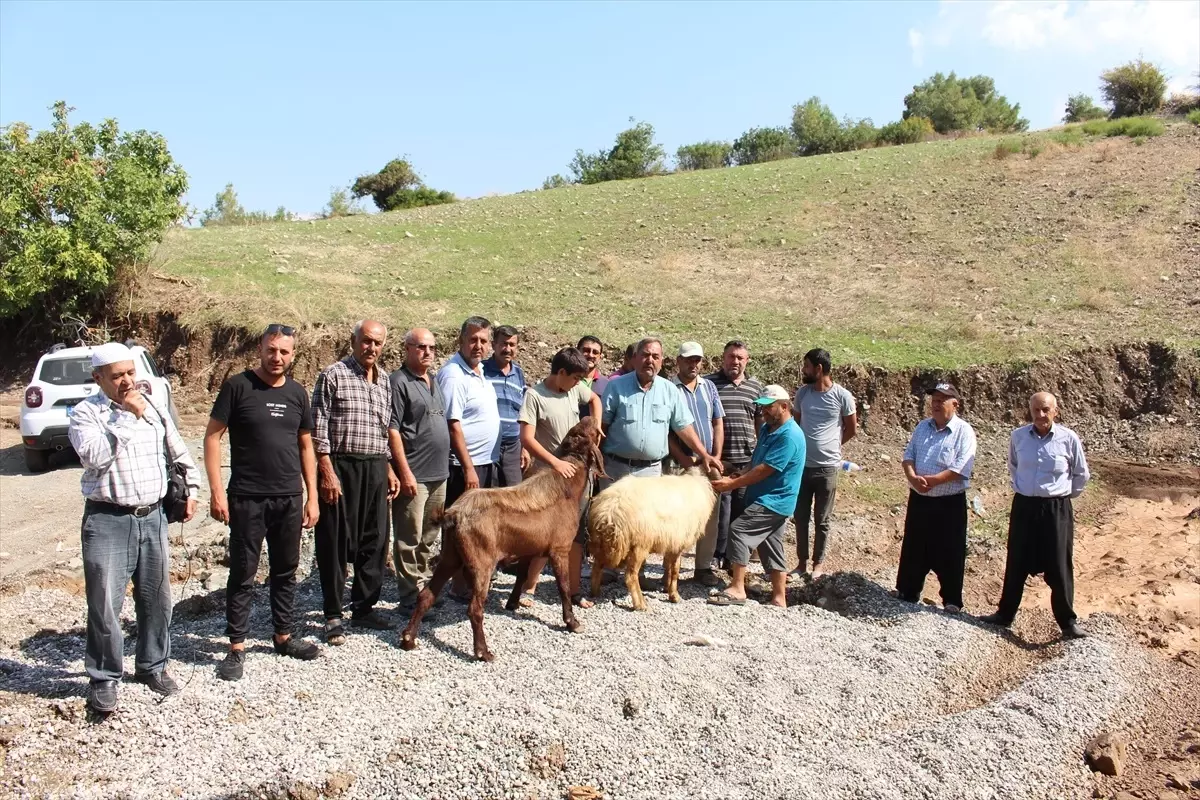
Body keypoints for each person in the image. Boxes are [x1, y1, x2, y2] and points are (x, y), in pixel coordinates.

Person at [68, 342, 200, 713]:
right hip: (107, 519)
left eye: (130, 373)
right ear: (98, 379)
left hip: (153, 516)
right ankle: (105, 677)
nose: (127, 381)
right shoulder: (85, 414)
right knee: (105, 604)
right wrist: (128, 415)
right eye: (117, 376)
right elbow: (94, 457)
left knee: (156, 598)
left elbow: (177, 448)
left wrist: (191, 488)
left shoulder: (152, 404)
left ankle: (152, 666)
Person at [205, 325, 321, 681]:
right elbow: (212, 438)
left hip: (288, 497)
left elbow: (306, 446)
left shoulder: (298, 393)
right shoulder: (237, 387)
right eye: (272, 350)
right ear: (260, 348)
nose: (277, 358)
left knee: (285, 571)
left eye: (285, 352)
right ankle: (236, 647)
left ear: (293, 354)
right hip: (246, 498)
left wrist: (312, 496)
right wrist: (215, 492)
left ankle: (283, 636)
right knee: (242, 573)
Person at [312, 320, 401, 645]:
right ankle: (333, 614)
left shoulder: (385, 381)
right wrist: (326, 469)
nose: (371, 348)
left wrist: (389, 467)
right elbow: (318, 425)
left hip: (376, 466)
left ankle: (364, 607)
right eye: (366, 341)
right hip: (341, 465)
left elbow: (385, 429)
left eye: (377, 343)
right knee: (335, 540)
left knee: (375, 539)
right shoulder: (333, 375)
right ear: (354, 341)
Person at [980, 392, 1090, 639]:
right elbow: (1014, 465)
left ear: (1055, 411)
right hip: (1024, 507)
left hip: (1056, 509)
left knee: (1060, 564)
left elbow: (1081, 474)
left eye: (1045, 410)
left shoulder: (1068, 438)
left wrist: (1061, 496)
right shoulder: (1018, 437)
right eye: (1036, 410)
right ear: (1029, 411)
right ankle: (1005, 615)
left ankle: (1067, 622)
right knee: (1016, 560)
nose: (1040, 415)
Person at [517, 346, 603, 607]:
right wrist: (554, 463)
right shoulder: (535, 395)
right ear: (561, 372)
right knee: (542, 535)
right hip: (546, 477)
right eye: (575, 378)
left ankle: (573, 591)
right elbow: (527, 437)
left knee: (575, 534)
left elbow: (594, 400)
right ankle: (528, 588)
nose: (579, 384)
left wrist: (596, 426)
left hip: (576, 478)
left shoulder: (575, 388)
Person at [708, 385, 806, 609]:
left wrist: (732, 484)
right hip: (765, 497)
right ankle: (779, 597)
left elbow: (765, 469)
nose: (763, 412)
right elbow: (757, 459)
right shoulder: (767, 429)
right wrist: (739, 473)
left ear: (784, 406)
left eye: (768, 407)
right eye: (761, 407)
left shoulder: (789, 436)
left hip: (774, 500)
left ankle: (737, 588)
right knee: (770, 544)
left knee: (739, 530)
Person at [894, 381, 977, 614]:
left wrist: (933, 481)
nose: (936, 404)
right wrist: (912, 477)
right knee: (914, 545)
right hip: (920, 499)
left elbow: (962, 467)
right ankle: (907, 591)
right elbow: (908, 455)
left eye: (942, 400)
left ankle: (952, 600)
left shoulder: (964, 432)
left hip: (948, 502)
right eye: (934, 400)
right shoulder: (922, 427)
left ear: (955, 404)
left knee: (950, 549)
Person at [599, 337, 721, 487]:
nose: (650, 360)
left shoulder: (669, 390)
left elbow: (683, 427)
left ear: (661, 361)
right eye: (645, 355)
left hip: (651, 473)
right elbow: (602, 426)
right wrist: (596, 459)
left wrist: (704, 455)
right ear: (635, 358)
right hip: (616, 469)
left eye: (655, 357)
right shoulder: (616, 386)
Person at [386, 328, 451, 612]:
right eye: (421, 347)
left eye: (432, 348)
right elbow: (393, 429)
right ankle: (409, 595)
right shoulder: (399, 382)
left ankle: (424, 587)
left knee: (430, 534)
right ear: (407, 348)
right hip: (415, 472)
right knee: (408, 536)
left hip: (440, 474)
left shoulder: (433, 381)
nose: (427, 352)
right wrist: (404, 472)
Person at [791, 348, 857, 580]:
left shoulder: (842, 396)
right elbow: (795, 427)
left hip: (828, 468)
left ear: (818, 369)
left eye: (807, 366)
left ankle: (818, 565)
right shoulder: (802, 394)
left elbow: (852, 428)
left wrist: (834, 447)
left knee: (822, 519)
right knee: (800, 516)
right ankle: (801, 564)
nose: (804, 371)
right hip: (802, 467)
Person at [668, 342, 725, 587]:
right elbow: (666, 429)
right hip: (680, 462)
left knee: (710, 515)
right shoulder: (669, 387)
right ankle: (671, 569)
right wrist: (683, 459)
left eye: (697, 360)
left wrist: (716, 456)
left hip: (707, 462)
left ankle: (703, 567)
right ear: (678, 361)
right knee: (676, 516)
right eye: (689, 360)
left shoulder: (709, 387)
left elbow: (717, 422)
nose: (693, 365)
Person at [705, 340, 764, 569]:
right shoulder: (710, 384)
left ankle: (734, 559)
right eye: (731, 356)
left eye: (740, 357)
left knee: (741, 510)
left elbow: (760, 424)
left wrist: (760, 453)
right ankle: (715, 555)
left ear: (747, 360)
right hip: (719, 460)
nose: (735, 361)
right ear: (723, 358)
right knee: (719, 511)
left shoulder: (755, 387)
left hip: (746, 461)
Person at [436, 316, 502, 506]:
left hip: (484, 463)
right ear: (461, 340)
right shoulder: (454, 375)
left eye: (483, 341)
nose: (478, 346)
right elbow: (452, 425)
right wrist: (468, 468)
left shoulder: (479, 370)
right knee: (461, 527)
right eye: (473, 340)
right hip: (463, 468)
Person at [482, 325, 529, 486]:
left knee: (513, 495)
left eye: (512, 345)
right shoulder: (481, 371)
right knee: (488, 494)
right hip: (487, 446)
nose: (507, 349)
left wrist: (524, 447)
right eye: (503, 344)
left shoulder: (519, 374)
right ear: (494, 345)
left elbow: (523, 412)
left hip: (512, 447)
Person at [576, 335, 609, 415]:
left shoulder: (607, 385)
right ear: (577, 352)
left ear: (600, 357)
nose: (590, 355)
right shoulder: (566, 379)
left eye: (595, 352)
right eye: (586, 350)